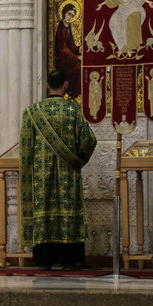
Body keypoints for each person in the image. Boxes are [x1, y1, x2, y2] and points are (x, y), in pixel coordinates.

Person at [19, 71, 97, 270]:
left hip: (40, 175)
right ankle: (69, 259)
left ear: (47, 85)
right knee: (67, 209)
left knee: (44, 210)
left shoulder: (32, 112)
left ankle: (44, 260)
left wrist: (28, 172)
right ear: (65, 84)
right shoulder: (74, 110)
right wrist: (78, 160)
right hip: (68, 174)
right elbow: (88, 140)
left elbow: (26, 147)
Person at [55, 3, 81, 98]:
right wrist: (77, 57)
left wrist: (79, 49)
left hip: (69, 58)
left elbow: (71, 46)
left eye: (72, 15)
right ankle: (73, 94)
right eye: (69, 14)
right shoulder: (61, 28)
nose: (70, 17)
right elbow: (63, 49)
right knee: (79, 68)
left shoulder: (68, 27)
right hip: (63, 60)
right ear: (64, 13)